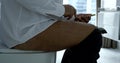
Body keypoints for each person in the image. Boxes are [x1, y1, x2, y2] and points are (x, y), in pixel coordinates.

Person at [0, 0, 102, 63]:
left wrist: (71, 20)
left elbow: (43, 10)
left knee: (87, 35)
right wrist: (62, 9)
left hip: (29, 27)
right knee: (92, 36)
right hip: (24, 31)